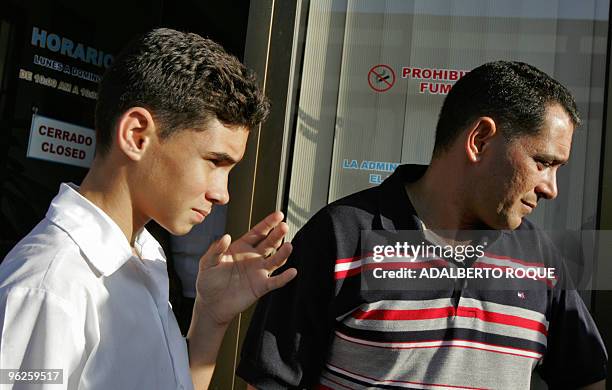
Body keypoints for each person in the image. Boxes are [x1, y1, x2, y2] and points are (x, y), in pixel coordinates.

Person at [237, 61, 607, 389]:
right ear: (480, 140)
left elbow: (586, 377)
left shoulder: (541, 260)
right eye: (542, 162)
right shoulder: (341, 236)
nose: (551, 189)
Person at [0, 28, 296, 390]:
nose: (223, 194)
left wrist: (210, 317)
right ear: (137, 135)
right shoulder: (49, 287)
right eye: (214, 162)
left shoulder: (145, 254)